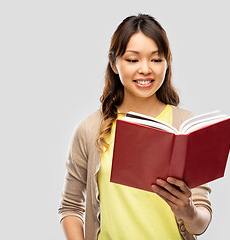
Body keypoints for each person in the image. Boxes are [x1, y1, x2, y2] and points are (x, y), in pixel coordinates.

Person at [58, 13, 212, 240]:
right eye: (133, 60)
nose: (145, 69)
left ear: (167, 63)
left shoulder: (186, 127)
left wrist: (188, 210)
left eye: (156, 59)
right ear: (113, 63)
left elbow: (200, 223)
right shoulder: (90, 129)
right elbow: (70, 207)